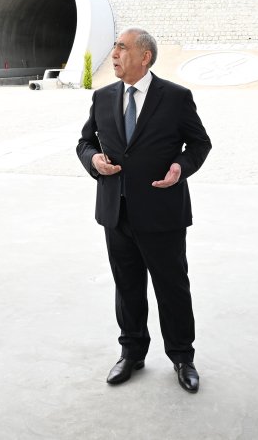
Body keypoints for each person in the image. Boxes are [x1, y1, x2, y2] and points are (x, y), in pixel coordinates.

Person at [76, 27, 212, 393]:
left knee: (172, 288)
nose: (114, 54)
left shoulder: (176, 97)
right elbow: (85, 142)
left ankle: (182, 357)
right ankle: (132, 353)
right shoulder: (103, 97)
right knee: (127, 287)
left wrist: (180, 167)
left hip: (162, 213)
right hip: (116, 213)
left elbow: (200, 144)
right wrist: (94, 161)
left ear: (145, 56)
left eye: (122, 47)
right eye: (115, 47)